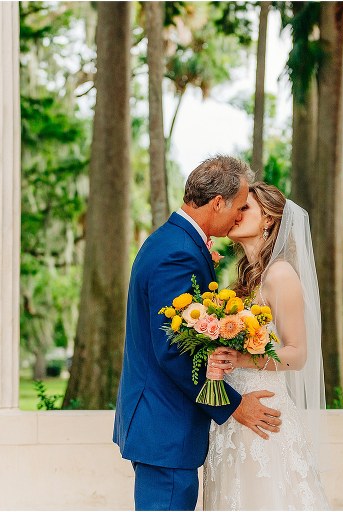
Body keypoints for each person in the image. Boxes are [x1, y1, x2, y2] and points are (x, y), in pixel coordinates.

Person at [113, 157, 284, 511]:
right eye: (238, 207)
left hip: (163, 425)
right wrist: (235, 406)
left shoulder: (173, 241)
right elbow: (174, 352)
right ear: (217, 203)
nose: (239, 216)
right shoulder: (177, 253)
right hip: (165, 427)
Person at [204, 182, 330, 510]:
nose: (235, 212)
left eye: (245, 207)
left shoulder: (281, 275)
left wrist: (242, 359)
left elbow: (298, 353)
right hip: (233, 414)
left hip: (264, 415)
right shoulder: (243, 281)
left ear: (269, 219)